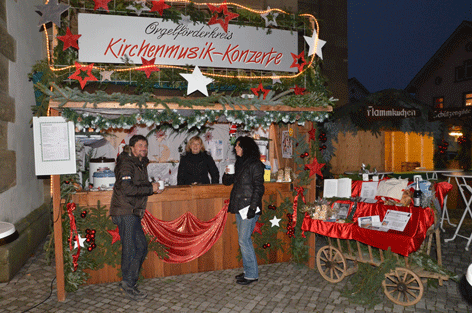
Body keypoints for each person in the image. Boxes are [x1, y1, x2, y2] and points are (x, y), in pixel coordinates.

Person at [109, 134, 163, 301]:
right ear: (131, 148)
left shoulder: (138, 163)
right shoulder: (126, 163)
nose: (143, 148)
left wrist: (152, 186)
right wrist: (150, 188)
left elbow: (136, 185)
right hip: (125, 212)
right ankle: (128, 285)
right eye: (140, 145)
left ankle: (129, 281)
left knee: (140, 247)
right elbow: (127, 189)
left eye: (145, 146)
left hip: (132, 212)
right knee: (131, 248)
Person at [222, 136, 265, 285]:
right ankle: (248, 271)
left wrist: (253, 208)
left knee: (244, 240)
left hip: (249, 208)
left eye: (238, 146)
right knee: (243, 240)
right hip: (240, 207)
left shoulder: (255, 164)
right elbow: (227, 183)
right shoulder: (240, 163)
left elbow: (259, 188)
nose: (236, 148)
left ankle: (252, 275)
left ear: (245, 147)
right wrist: (227, 173)